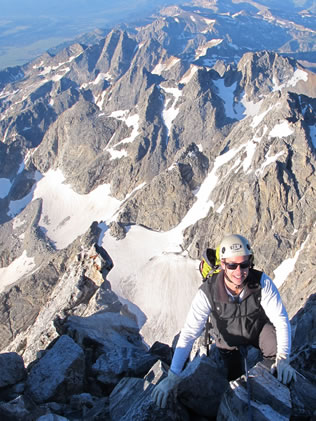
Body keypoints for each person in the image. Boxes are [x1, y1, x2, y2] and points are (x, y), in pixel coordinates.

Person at [152, 234, 296, 408]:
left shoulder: (262, 282)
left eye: (244, 265)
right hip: (228, 341)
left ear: (250, 262)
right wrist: (173, 375)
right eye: (232, 265)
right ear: (222, 265)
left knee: (273, 347)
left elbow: (281, 320)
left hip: (257, 329)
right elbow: (189, 333)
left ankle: (268, 382)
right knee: (234, 379)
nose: (239, 271)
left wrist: (283, 359)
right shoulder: (208, 292)